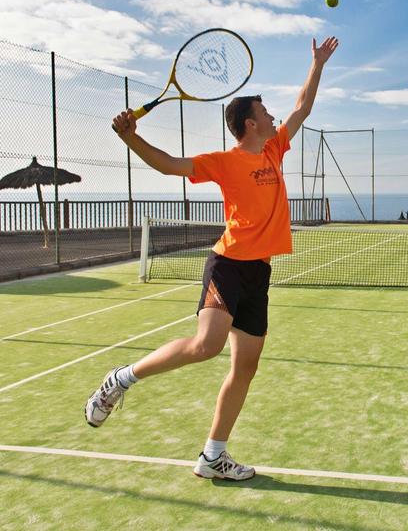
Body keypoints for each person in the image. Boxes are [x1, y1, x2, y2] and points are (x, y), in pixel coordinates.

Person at [85, 36, 339, 481]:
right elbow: (168, 165)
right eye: (264, 111)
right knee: (207, 346)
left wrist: (316, 65)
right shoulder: (222, 162)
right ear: (248, 123)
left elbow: (302, 107)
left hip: (259, 273)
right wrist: (131, 137)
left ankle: (212, 456)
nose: (273, 115)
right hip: (228, 264)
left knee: (246, 367)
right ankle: (121, 379)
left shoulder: (275, 148)